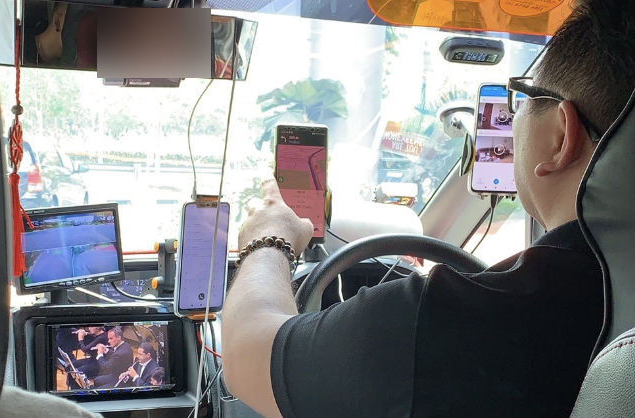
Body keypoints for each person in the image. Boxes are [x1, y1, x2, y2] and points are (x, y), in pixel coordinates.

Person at [221, 1, 635, 417]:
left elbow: (245, 355)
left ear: (561, 135)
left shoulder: (455, 322)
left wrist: (267, 238)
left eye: (522, 96)